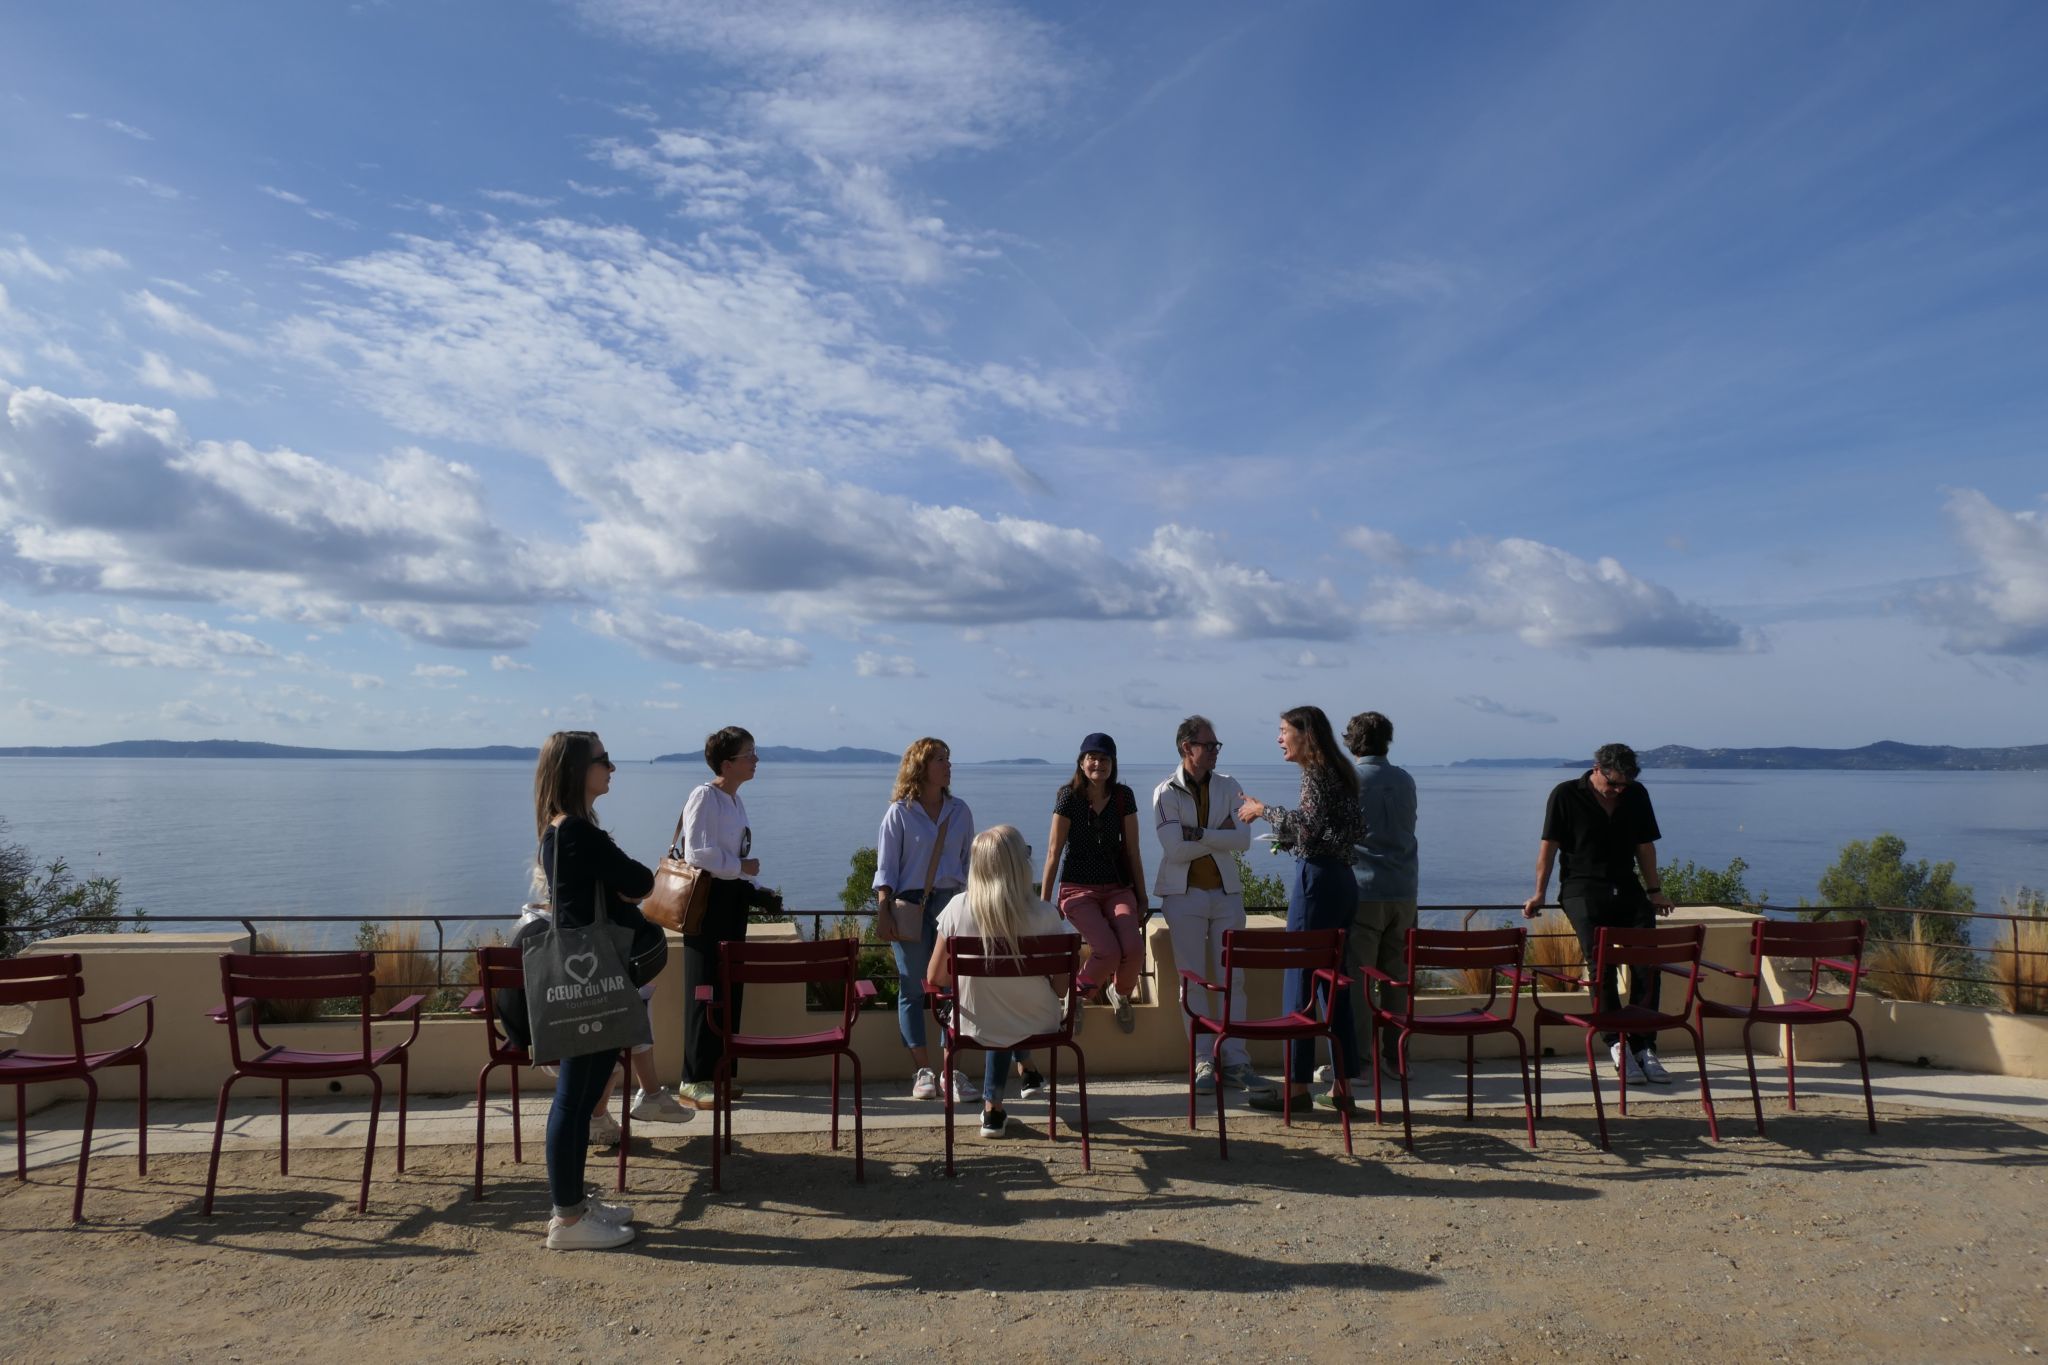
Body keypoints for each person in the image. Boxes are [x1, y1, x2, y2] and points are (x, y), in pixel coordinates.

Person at [529, 729, 650, 1250]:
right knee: (575, 1096)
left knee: (583, 1091)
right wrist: (623, 881)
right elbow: (640, 879)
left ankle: (575, 1203)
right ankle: (568, 1221)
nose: (612, 767)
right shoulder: (576, 832)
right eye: (604, 760)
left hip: (590, 970)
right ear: (579, 769)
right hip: (592, 974)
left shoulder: (563, 831)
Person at [1521, 743, 1677, 1085]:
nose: (1620, 790)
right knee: (1600, 961)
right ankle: (1615, 1041)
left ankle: (1644, 1044)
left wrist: (1655, 891)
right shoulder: (1565, 795)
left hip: (1626, 885)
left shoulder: (1636, 795)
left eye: (1625, 784)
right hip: (1581, 886)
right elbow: (1549, 847)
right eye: (1615, 784)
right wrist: (1539, 893)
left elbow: (1645, 846)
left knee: (1647, 963)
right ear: (1597, 769)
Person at [1236, 705, 1366, 1113]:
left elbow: (1308, 827)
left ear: (1305, 735)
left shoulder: (1315, 773)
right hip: (1344, 881)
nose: (1278, 738)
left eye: (1283, 731)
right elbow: (1343, 831)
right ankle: (1343, 1087)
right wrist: (1297, 840)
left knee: (1300, 979)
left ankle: (1295, 1089)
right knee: (1335, 982)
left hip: (1317, 882)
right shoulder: (1343, 773)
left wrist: (1263, 812)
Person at [502, 878, 694, 1150]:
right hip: (564, 1044)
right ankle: (619, 1107)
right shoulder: (578, 939)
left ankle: (632, 1103)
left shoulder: (526, 927)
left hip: (526, 1037)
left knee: (624, 1016)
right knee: (624, 1020)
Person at [1151, 715, 1274, 1098]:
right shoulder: (1166, 791)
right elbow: (1175, 848)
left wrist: (1199, 833)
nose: (1216, 751)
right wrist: (1218, 833)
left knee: (1231, 979)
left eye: (1217, 745)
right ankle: (1203, 1059)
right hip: (1182, 894)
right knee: (1193, 980)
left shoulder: (1229, 786)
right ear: (1188, 748)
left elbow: (1242, 842)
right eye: (1209, 745)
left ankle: (1236, 1059)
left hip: (1226, 894)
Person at [928, 825, 1074, 1139]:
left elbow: (935, 977)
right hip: (1039, 1022)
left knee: (996, 1009)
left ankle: (993, 1109)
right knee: (1008, 1010)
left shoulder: (957, 909)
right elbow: (1062, 988)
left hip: (973, 1024)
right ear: (1021, 865)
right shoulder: (1047, 915)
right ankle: (1025, 1075)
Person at [678, 725, 783, 1110]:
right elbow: (697, 855)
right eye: (748, 754)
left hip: (730, 901)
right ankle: (693, 1077)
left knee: (727, 986)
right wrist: (741, 865)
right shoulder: (705, 796)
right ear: (727, 763)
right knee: (704, 987)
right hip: (708, 904)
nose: (755, 760)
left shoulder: (734, 801)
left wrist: (750, 880)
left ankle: (719, 1073)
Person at [872, 737, 980, 1104]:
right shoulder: (899, 813)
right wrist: (885, 908)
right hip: (911, 906)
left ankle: (952, 1069)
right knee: (913, 989)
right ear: (920, 767)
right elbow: (885, 869)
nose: (948, 765)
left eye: (949, 758)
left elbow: (969, 866)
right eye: (939, 759)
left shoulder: (960, 812)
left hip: (953, 903)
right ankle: (923, 1070)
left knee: (954, 988)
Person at [1039, 732, 1146, 1031]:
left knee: (1134, 948)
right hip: (1077, 889)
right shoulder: (1068, 798)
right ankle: (1076, 997)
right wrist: (1045, 903)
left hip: (1117, 888)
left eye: (1105, 758)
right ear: (1082, 762)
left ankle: (1120, 993)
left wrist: (1142, 895)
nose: (1098, 763)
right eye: (1093, 758)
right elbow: (1053, 852)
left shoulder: (1124, 797)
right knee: (1108, 950)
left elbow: (1133, 850)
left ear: (1113, 763)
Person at [1344, 710, 1418, 1082]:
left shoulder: (1350, 780)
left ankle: (1359, 1057)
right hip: (1403, 891)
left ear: (1351, 741)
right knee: (1397, 979)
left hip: (1364, 890)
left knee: (1358, 980)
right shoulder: (1405, 780)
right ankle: (1397, 1057)